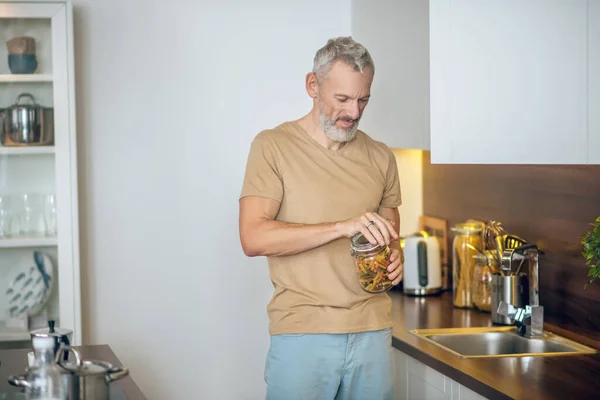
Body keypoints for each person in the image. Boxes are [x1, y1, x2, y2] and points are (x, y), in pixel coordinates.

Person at [238, 36, 403, 400]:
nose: (354, 112)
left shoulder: (380, 156)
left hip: (373, 331)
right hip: (302, 333)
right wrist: (341, 227)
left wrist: (395, 257)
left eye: (363, 100)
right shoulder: (272, 146)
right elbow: (253, 237)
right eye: (342, 99)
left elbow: (390, 234)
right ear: (313, 86)